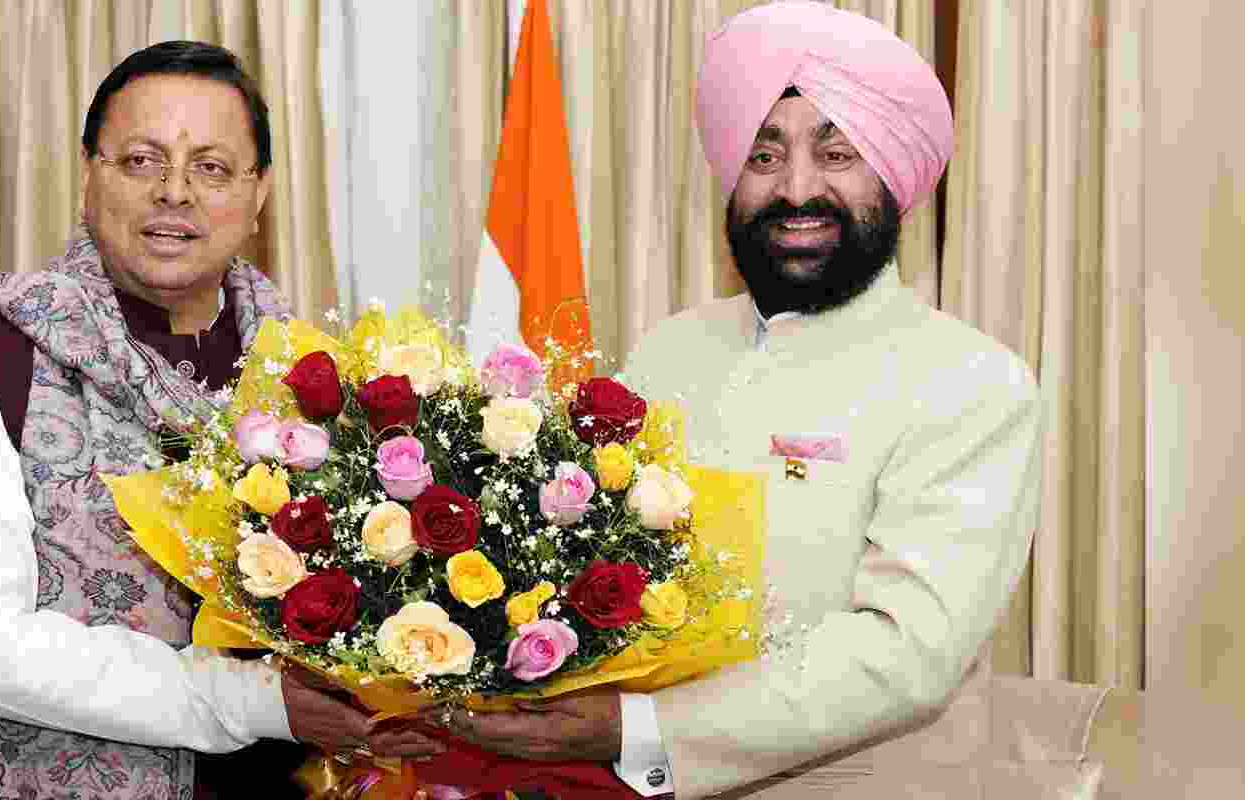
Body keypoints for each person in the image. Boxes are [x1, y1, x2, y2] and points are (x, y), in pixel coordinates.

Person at [437, 4, 1108, 798]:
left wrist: (638, 729)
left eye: (836, 153)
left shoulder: (972, 382)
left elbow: (905, 655)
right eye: (764, 156)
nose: (797, 189)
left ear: (892, 177)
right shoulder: (670, 350)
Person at [0, 41, 439, 800]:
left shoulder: (320, 378)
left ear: (259, 196)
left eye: (212, 168)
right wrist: (252, 702)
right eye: (142, 161)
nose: (176, 193)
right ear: (90, 176)